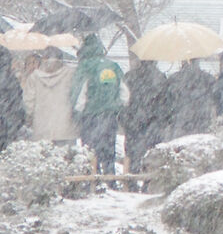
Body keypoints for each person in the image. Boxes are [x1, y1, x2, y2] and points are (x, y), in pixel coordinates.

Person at [71, 34, 125, 176]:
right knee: (108, 149)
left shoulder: (85, 67)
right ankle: (110, 177)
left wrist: (76, 113)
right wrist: (115, 106)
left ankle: (94, 180)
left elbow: (79, 93)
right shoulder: (113, 66)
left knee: (90, 151)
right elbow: (124, 93)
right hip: (110, 116)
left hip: (90, 116)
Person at [120, 57, 171, 170]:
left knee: (133, 155)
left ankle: (132, 180)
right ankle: (148, 181)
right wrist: (163, 120)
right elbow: (165, 102)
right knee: (153, 156)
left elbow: (123, 100)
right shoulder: (161, 77)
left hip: (133, 122)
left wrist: (125, 120)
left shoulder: (129, 76)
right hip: (154, 123)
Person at [20, 47, 75, 142]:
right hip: (66, 129)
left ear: (43, 59)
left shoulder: (34, 77)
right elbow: (76, 99)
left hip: (42, 129)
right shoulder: (71, 75)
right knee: (66, 155)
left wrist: (31, 119)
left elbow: (28, 103)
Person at [170, 58, 219, 139]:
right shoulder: (208, 79)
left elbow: (170, 102)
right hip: (203, 121)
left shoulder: (174, 79)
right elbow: (214, 98)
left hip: (181, 122)